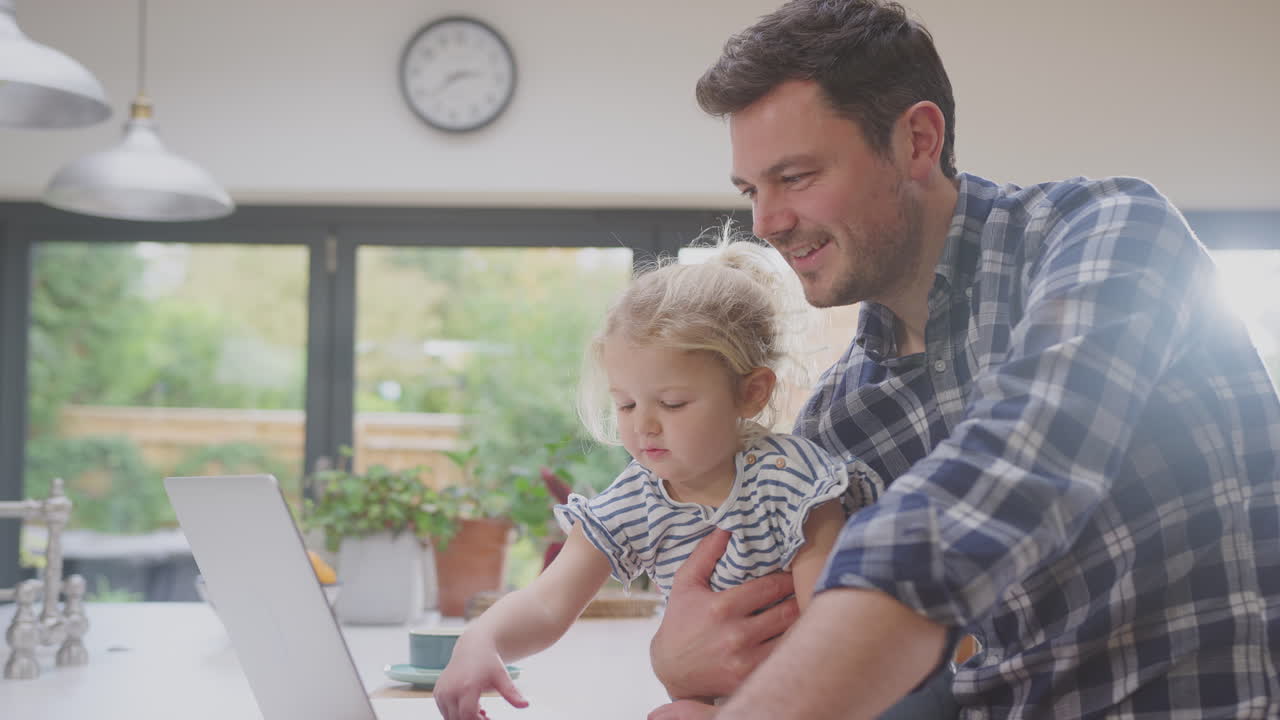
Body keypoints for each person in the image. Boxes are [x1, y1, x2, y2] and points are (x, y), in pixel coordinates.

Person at [647, 1, 1280, 718]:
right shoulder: (842, 418)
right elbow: (829, 642)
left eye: (795, 177)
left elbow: (1015, 469)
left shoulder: (1106, 232)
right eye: (751, 191)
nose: (767, 222)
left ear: (918, 140)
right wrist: (685, 661)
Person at [433, 238, 882, 720]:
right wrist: (480, 641)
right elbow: (546, 603)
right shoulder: (636, 497)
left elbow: (834, 633)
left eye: (671, 404)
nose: (643, 425)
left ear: (751, 393)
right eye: (625, 404)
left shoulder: (793, 481)